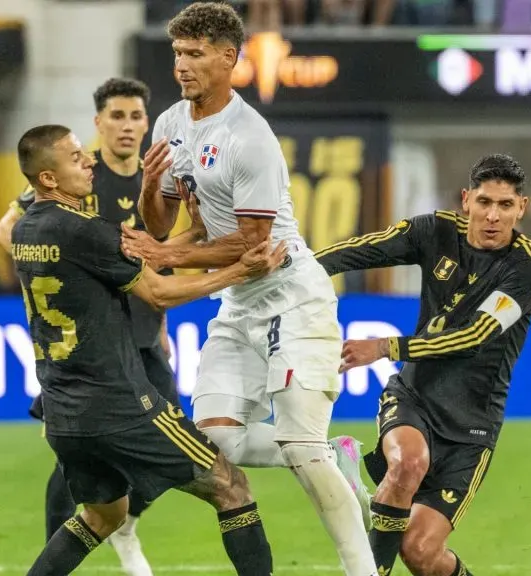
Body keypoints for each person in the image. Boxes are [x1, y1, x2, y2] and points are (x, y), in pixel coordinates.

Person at [120, 3, 376, 575]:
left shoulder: (249, 136)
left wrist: (168, 256)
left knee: (299, 444)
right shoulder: (169, 125)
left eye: (195, 54)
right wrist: (149, 187)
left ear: (229, 58)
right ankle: (339, 459)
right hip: (238, 304)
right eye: (178, 54)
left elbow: (253, 242)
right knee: (217, 447)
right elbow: (159, 224)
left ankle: (363, 569)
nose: (182, 66)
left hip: (291, 294)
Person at [12, 124, 284, 576]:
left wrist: (194, 233)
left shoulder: (28, 230)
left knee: (104, 516)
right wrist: (240, 271)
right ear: (49, 179)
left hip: (64, 411)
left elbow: (132, 258)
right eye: (76, 157)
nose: (89, 162)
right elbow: (157, 293)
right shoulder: (84, 229)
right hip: (118, 405)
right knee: (231, 486)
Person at [315, 154, 531, 576]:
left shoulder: (527, 266)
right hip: (415, 397)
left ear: (522, 208)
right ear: (466, 200)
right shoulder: (434, 231)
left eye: (505, 206)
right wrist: (296, 267)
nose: (493, 216)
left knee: (420, 552)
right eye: (484, 202)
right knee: (408, 462)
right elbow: (360, 252)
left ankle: (372, 494)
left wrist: (386, 346)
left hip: (473, 426)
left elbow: (476, 336)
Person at [0, 78, 170, 576]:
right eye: (117, 116)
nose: (128, 126)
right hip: (86, 342)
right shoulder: (75, 172)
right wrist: (59, 283)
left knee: (172, 438)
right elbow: (7, 231)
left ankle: (123, 522)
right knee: (72, 459)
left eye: (137, 116)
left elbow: (156, 260)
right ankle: (61, 546)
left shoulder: (153, 180)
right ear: (99, 123)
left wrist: (159, 324)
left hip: (143, 332)